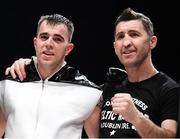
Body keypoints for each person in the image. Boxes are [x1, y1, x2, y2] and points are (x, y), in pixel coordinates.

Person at [5, 8, 179, 138]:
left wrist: (136, 117)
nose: (126, 42)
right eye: (120, 36)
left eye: (134, 34)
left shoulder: (169, 89)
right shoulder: (104, 90)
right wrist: (29, 65)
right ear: (114, 46)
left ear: (152, 42)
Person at [0, 13, 102, 138]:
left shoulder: (90, 92)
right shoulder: (9, 82)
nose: (49, 43)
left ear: (68, 49)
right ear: (35, 43)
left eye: (57, 39)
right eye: (44, 37)